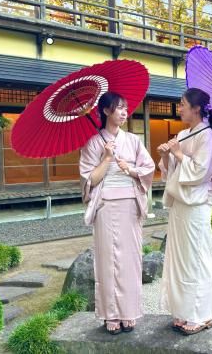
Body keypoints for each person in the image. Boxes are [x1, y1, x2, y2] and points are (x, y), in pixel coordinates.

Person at [79, 92, 155, 335]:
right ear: (105, 111)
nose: (124, 112)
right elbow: (90, 180)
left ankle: (128, 312)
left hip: (129, 206)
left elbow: (148, 168)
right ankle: (111, 315)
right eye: (118, 108)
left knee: (130, 260)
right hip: (105, 207)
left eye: (125, 108)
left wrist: (129, 168)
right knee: (107, 261)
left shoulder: (133, 140)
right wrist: (107, 158)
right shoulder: (93, 143)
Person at [157, 87, 212, 335]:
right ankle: (183, 312)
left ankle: (202, 314)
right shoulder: (184, 133)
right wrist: (166, 156)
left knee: (196, 258)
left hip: (196, 204)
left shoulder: (208, 137)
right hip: (180, 202)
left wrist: (179, 154)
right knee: (179, 258)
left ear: (196, 108)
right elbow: (171, 170)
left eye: (182, 104)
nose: (179, 108)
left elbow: (201, 171)